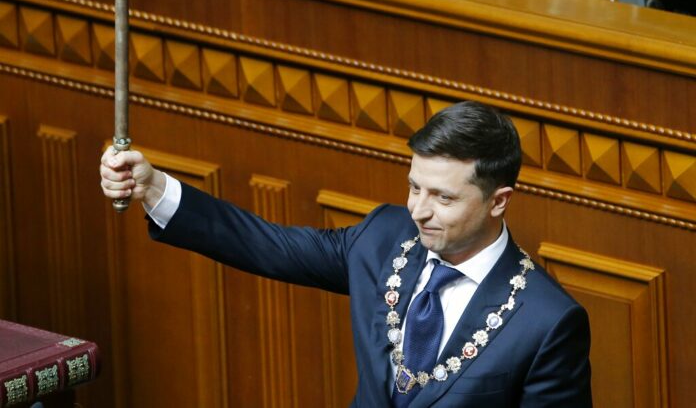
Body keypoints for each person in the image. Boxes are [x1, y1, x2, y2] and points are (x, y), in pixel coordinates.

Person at [100, 101, 592, 407]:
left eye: (443, 198)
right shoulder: (385, 237)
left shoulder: (547, 322)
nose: (419, 210)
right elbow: (269, 245)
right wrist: (154, 188)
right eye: (414, 187)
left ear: (498, 201)